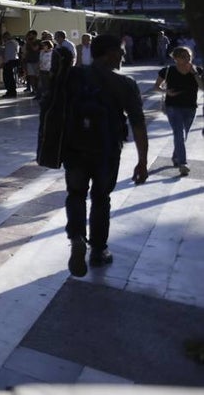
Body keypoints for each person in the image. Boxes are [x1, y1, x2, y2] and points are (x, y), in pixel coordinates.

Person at [63, 34, 148, 278]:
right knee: (101, 198)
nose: (123, 55)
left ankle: (77, 236)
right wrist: (142, 161)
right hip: (107, 151)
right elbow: (138, 124)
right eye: (120, 51)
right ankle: (98, 251)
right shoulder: (125, 84)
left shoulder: (73, 77)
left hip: (75, 148)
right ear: (109, 53)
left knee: (76, 194)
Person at [154, 46, 202, 177]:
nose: (188, 58)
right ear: (176, 58)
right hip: (173, 107)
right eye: (184, 56)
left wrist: (195, 73)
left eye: (189, 55)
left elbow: (202, 87)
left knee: (184, 134)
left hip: (191, 107)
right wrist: (166, 91)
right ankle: (183, 163)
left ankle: (176, 157)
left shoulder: (196, 70)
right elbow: (156, 87)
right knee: (178, 134)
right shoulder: (167, 70)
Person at [0, 32, 20, 97]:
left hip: (9, 62)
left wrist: (4, 62)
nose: (3, 39)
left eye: (4, 38)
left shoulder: (9, 44)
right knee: (10, 77)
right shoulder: (14, 43)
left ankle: (11, 92)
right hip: (12, 61)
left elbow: (8, 54)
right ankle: (11, 91)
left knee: (8, 78)